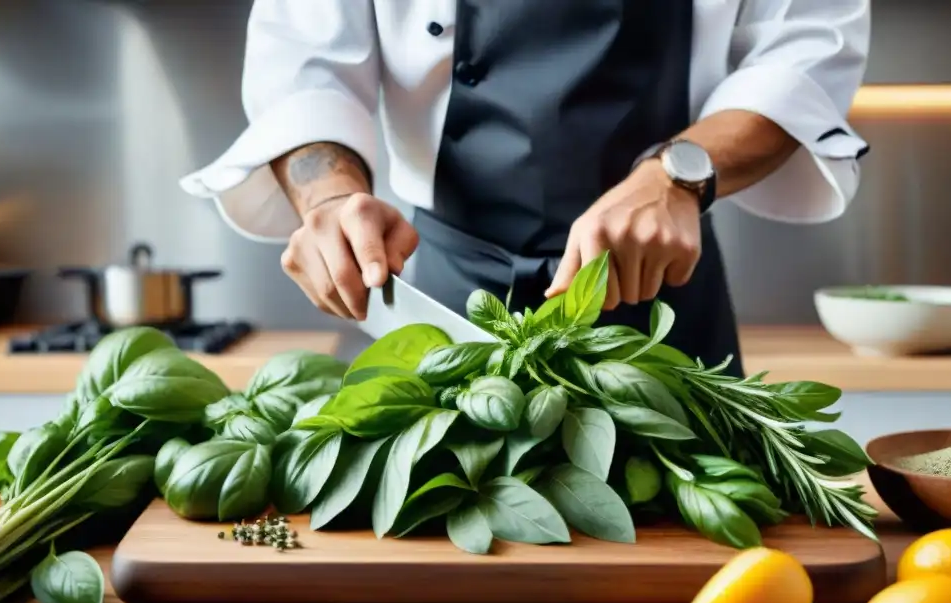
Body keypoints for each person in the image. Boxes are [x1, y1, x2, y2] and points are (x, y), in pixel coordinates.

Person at [180, 1, 870, 376]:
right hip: (436, 292)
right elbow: (304, 58)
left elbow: (805, 51)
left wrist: (677, 174)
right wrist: (328, 199)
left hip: (658, 300)